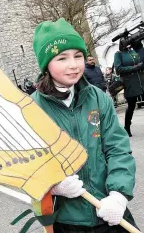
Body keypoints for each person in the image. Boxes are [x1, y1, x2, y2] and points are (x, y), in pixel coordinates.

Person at [31, 18, 137, 233]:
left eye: (78, 56)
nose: (73, 64)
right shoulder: (32, 109)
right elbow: (28, 164)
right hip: (68, 221)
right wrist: (53, 185)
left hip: (109, 211)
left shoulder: (97, 98)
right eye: (62, 58)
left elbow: (117, 149)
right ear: (46, 64)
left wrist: (118, 196)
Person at [114, 41, 144, 137]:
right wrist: (135, 67)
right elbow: (118, 69)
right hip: (130, 83)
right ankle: (127, 127)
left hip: (142, 81)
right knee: (131, 107)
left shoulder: (133, 52)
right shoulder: (118, 54)